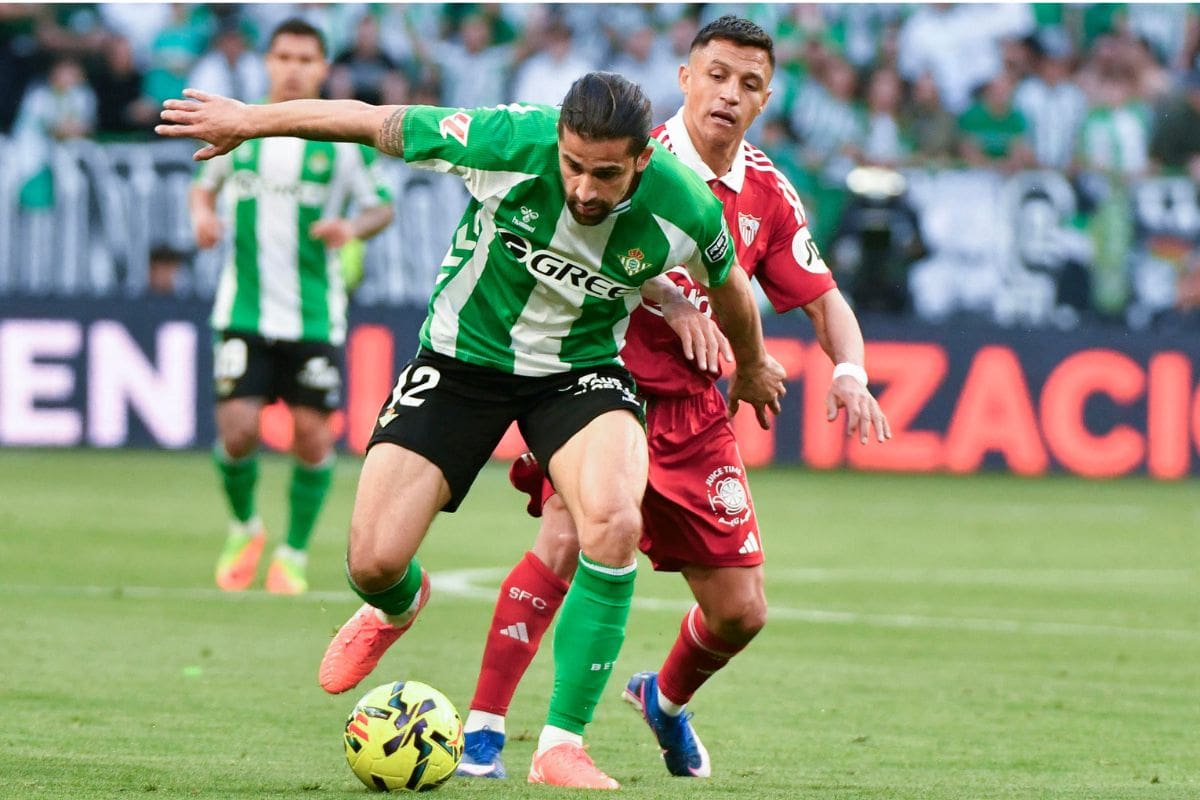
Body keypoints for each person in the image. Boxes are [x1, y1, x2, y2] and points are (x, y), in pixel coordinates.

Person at [157, 68, 788, 788]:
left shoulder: (685, 205)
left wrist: (750, 365)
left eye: (606, 175)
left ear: (642, 159)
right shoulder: (505, 140)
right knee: (372, 562)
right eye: (573, 166)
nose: (584, 189)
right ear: (557, 142)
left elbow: (730, 286)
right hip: (462, 363)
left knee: (610, 523)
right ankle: (399, 605)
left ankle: (561, 745)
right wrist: (250, 119)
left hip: (578, 374)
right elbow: (371, 120)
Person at [453, 15, 891, 781]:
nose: (729, 93)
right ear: (686, 78)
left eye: (748, 84)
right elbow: (574, 240)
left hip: (694, 413)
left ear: (765, 99)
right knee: (565, 539)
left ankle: (664, 697)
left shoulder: (766, 192)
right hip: (598, 383)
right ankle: (485, 731)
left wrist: (850, 372)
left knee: (740, 611)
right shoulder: (624, 154)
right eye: (716, 75)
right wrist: (669, 299)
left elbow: (824, 300)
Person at [187, 18, 394, 596]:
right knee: (237, 431)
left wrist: (350, 226)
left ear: (324, 67)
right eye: (283, 56)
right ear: (268, 62)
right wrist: (201, 214)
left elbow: (381, 207)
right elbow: (203, 182)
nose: (294, 67)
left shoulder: (343, 137)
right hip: (243, 308)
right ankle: (245, 527)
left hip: (313, 312)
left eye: (306, 57)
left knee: (311, 437)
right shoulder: (239, 126)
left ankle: (294, 551)